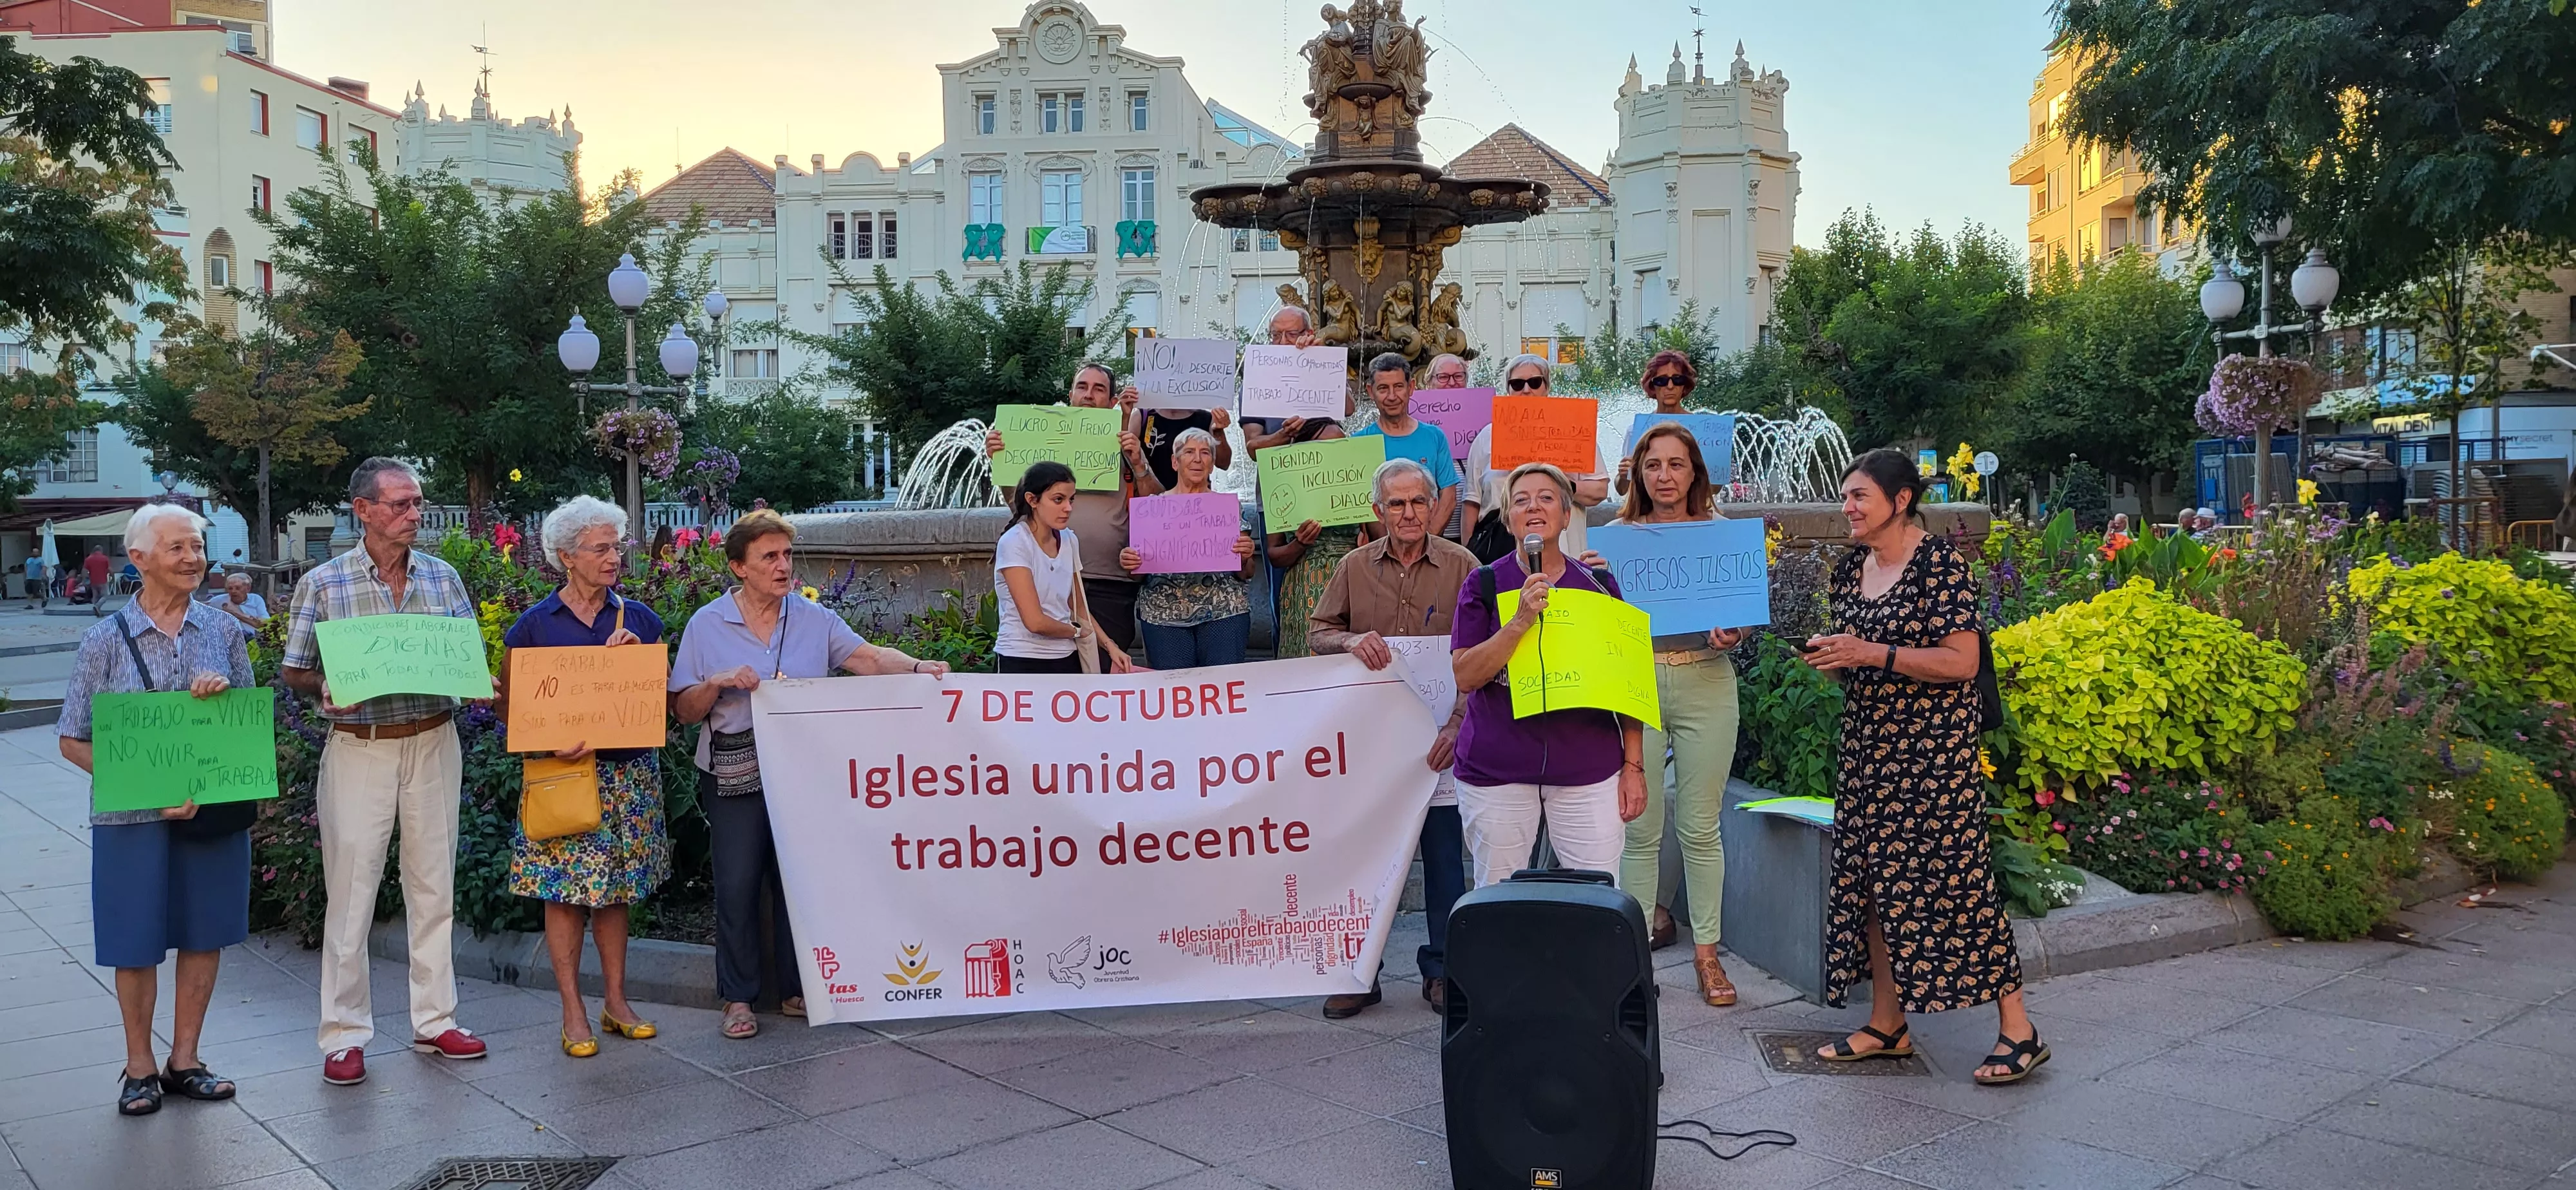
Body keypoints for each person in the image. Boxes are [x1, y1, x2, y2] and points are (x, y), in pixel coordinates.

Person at [1802, 448, 2041, 1086]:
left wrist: (1871, 653)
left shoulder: (1940, 565)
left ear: (1901, 500)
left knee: (1960, 884)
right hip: (1868, 749)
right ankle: (1888, 1024)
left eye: (1859, 496)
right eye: (1845, 497)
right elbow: (1861, 657)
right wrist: (1834, 656)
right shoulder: (1851, 568)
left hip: (1933, 754)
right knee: (1876, 884)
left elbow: (1961, 662)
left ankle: (2019, 1029)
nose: (1848, 508)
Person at [670, 509, 949, 1038]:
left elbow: (868, 659)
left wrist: (918, 668)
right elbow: (683, 710)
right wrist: (718, 682)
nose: (783, 566)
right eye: (769, 557)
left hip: (802, 770)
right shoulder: (707, 624)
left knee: (799, 880)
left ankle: (798, 989)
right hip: (733, 770)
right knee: (736, 882)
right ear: (739, 567)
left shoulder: (813, 618)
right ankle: (738, 998)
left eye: (787, 555)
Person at [279, 458, 487, 1086]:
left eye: (418, 503)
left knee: (434, 886)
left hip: (433, 739)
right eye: (400, 504)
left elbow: (466, 658)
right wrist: (324, 688)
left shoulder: (444, 577)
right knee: (351, 891)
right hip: (360, 745)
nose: (414, 515)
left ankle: (436, 1019)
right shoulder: (323, 583)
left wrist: (482, 682)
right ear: (363, 510)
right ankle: (344, 1034)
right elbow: (295, 669)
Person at [59, 504, 253, 1117]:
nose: (193, 558)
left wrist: (226, 699)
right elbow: (72, 739)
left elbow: (248, 726)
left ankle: (186, 1059)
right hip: (130, 820)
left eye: (197, 546)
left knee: (206, 932)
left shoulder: (224, 631)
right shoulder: (103, 640)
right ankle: (139, 1066)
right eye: (177, 548)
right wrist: (145, 788)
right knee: (134, 939)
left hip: (210, 812)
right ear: (139, 558)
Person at [497, 496, 672, 1059]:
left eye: (616, 546)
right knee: (564, 894)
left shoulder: (639, 619)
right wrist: (549, 739)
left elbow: (662, 696)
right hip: (565, 776)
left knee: (616, 893)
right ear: (567, 557)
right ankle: (573, 1011)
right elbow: (508, 706)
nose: (614, 557)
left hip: (628, 775)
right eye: (601, 548)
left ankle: (616, 1002)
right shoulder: (534, 626)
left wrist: (640, 660)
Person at [1582, 424, 1748, 1006]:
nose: (1665, 476)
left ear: (1696, 471)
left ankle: (1708, 956)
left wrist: (1736, 632)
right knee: (1639, 826)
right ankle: (1633, 963)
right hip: (1637, 682)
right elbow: (1595, 626)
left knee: (1701, 826)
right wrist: (1594, 581)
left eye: (1677, 465)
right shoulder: (1613, 540)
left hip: (1707, 677)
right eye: (1654, 465)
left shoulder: (1723, 535)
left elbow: (1742, 611)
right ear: (1639, 474)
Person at [1307, 457, 1476, 1017]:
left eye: (1418, 501)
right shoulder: (1354, 566)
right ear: (1378, 511)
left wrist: (1460, 722)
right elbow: (1318, 632)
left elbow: (1484, 649)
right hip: (1372, 742)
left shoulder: (1463, 566)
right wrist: (1350, 641)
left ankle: (1445, 970)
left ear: (1434, 507)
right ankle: (1361, 973)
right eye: (1396, 503)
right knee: (1366, 858)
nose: (1408, 513)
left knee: (1444, 857)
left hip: (1440, 739)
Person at [1448, 462, 1648, 887]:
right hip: (1498, 770)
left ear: (1566, 515)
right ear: (1508, 520)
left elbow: (1628, 684)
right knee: (1498, 902)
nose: (1534, 507)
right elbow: (1466, 676)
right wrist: (1518, 622)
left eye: (1546, 498)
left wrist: (1634, 766)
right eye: (1521, 500)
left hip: (1587, 768)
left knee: (1597, 899)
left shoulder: (1598, 585)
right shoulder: (1483, 584)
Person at [983, 363, 1162, 653]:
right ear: (1070, 396)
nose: (1089, 395)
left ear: (1112, 402)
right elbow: (1020, 504)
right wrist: (1002, 462)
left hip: (1108, 583)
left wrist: (1139, 464)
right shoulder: (1043, 441)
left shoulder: (1125, 444)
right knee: (1051, 667)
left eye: (1099, 389)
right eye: (1082, 387)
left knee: (1104, 668)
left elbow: (1158, 507)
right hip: (1048, 578)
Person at [1121, 430, 1256, 668]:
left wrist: (1245, 556)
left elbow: (1247, 573)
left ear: (1212, 465)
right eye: (1189, 452)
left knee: (1223, 686)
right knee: (1173, 687)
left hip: (1224, 614)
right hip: (1164, 617)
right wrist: (1130, 561)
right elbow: (1137, 575)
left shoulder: (1229, 507)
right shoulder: (1153, 509)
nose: (1197, 459)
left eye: (1205, 453)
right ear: (1175, 462)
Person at [996, 461, 1139, 674]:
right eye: (1058, 499)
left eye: (1071, 499)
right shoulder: (1015, 542)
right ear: (1032, 500)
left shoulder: (1069, 539)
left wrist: (1110, 646)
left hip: (1065, 656)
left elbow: (1078, 606)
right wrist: (1077, 631)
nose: (1068, 508)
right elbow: (1035, 622)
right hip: (1020, 656)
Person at [1461, 356, 1611, 560]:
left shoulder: (1574, 431)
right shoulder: (1487, 437)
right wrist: (1468, 556)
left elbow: (1599, 490)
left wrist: (1561, 482)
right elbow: (1472, 502)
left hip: (1564, 550)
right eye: (1517, 384)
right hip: (1498, 550)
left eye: (1535, 382)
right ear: (1508, 390)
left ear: (1546, 387)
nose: (1526, 390)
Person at [1354, 352, 1462, 540]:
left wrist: (1424, 541)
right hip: (1382, 550)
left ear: (1411, 387)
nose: (1392, 396)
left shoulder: (1434, 436)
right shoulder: (1359, 443)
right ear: (1370, 391)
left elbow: (1449, 497)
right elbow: (1362, 506)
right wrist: (1389, 547)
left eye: (1398, 387)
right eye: (1383, 388)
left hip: (1430, 546)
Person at [1241, 307, 1350, 455]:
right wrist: (1284, 435)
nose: (1283, 342)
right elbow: (1253, 449)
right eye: (1276, 335)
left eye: (1292, 334)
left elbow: (1348, 409)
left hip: (1326, 464)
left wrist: (1322, 362)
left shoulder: (1323, 365)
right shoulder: (1255, 381)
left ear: (1308, 333)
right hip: (1279, 465)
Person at [1613, 350, 1698, 497]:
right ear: (1652, 387)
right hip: (1650, 508)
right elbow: (1622, 490)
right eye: (1661, 381)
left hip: (1692, 508)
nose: (1670, 386)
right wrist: (1623, 475)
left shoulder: (1701, 430)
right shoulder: (1636, 431)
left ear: (1685, 385)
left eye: (1677, 380)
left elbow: (1714, 488)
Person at [1423, 352, 1473, 541]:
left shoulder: (1483, 417)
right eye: (1443, 377)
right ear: (1429, 383)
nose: (1452, 383)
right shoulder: (1417, 425)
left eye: (1458, 376)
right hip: (1435, 531)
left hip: (1473, 530)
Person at [210, 571, 268, 639]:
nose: (233, 591)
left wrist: (236, 614)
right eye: (230, 588)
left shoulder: (256, 599)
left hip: (255, 639)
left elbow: (266, 623)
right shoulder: (217, 601)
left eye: (238, 588)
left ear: (248, 588)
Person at [85, 545, 111, 616]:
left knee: (95, 596)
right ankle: (97, 606)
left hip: (93, 581)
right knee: (105, 596)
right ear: (101, 550)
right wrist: (112, 577)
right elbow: (109, 569)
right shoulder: (105, 558)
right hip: (103, 580)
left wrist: (85, 580)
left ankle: (97, 612)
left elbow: (84, 571)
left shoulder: (88, 559)